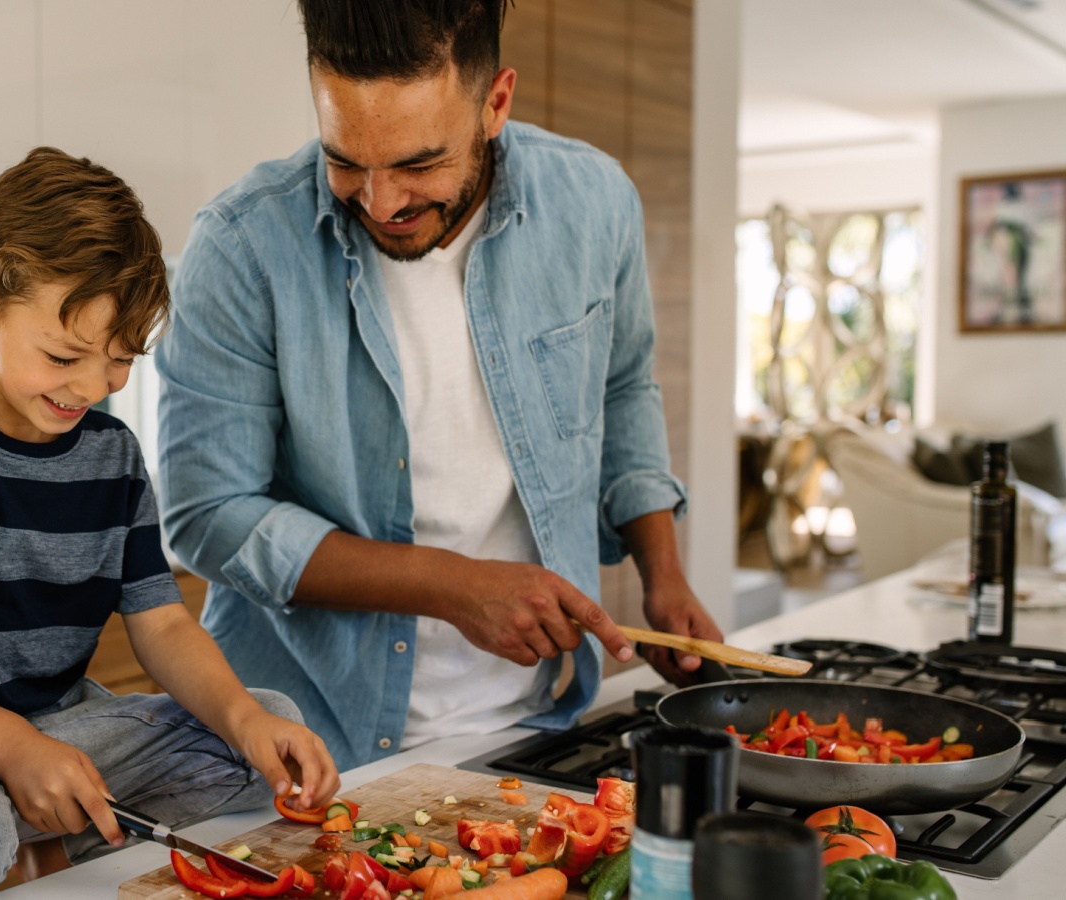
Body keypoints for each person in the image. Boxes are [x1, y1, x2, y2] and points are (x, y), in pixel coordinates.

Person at [156, 0, 723, 771]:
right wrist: (452, 586)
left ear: (496, 102)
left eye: (419, 165)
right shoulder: (242, 246)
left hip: (532, 729)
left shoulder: (595, 204)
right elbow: (205, 516)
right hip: (298, 744)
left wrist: (664, 573)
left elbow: (622, 387)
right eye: (346, 160)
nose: (381, 202)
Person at [0, 147, 338, 900]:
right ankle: (33, 833)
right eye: (64, 355)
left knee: (264, 732)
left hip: (58, 733)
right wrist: (13, 748)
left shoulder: (112, 455)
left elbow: (163, 627)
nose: (93, 386)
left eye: (120, 359)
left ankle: (49, 842)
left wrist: (245, 718)